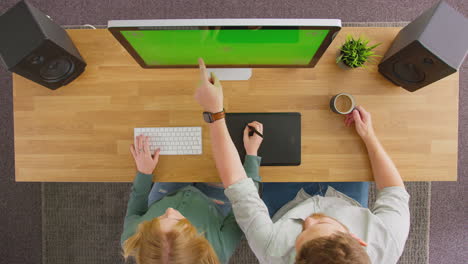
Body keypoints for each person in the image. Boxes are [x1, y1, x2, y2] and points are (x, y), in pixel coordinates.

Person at [194, 58, 410, 264]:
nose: (310, 219)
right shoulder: (387, 241)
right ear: (359, 241)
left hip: (287, 206)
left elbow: (237, 185)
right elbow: (393, 189)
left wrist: (214, 112)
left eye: (303, 232)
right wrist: (368, 136)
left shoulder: (272, 250)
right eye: (322, 223)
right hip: (345, 199)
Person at [120, 129, 263, 262]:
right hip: (213, 204)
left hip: (166, 195)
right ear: (200, 243)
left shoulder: (133, 237)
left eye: (159, 218)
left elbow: (136, 209)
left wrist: (144, 173)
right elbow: (246, 204)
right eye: (178, 220)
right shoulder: (219, 250)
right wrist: (251, 155)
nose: (169, 211)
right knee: (224, 153)